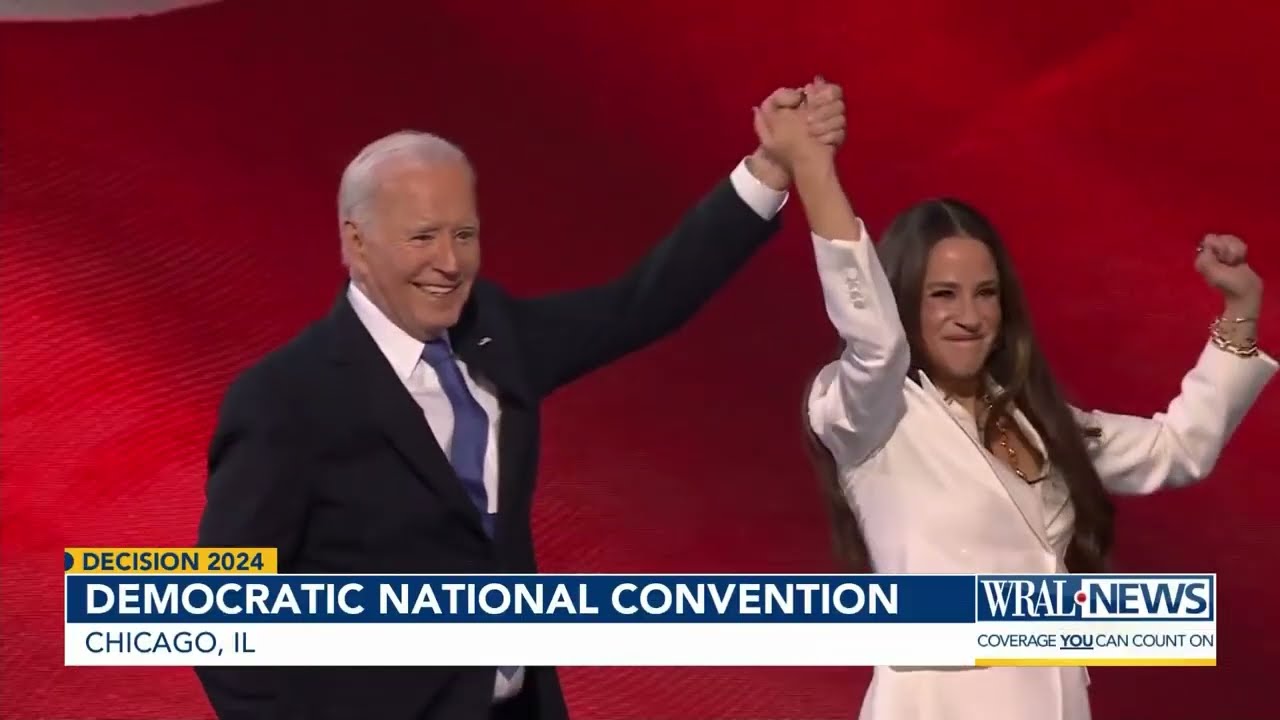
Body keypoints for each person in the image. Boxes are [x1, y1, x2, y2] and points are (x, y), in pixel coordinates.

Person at [193, 84, 847, 720]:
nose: (449, 263)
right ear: (357, 243)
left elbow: (640, 303)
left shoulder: (494, 334)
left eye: (465, 235)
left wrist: (768, 170)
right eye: (422, 238)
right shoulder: (286, 400)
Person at [752, 92, 1276, 720]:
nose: (969, 317)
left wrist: (1240, 310)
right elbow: (877, 343)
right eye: (943, 294)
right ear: (904, 300)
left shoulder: (1036, 421)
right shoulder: (868, 414)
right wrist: (814, 170)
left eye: (986, 294)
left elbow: (1177, 449)